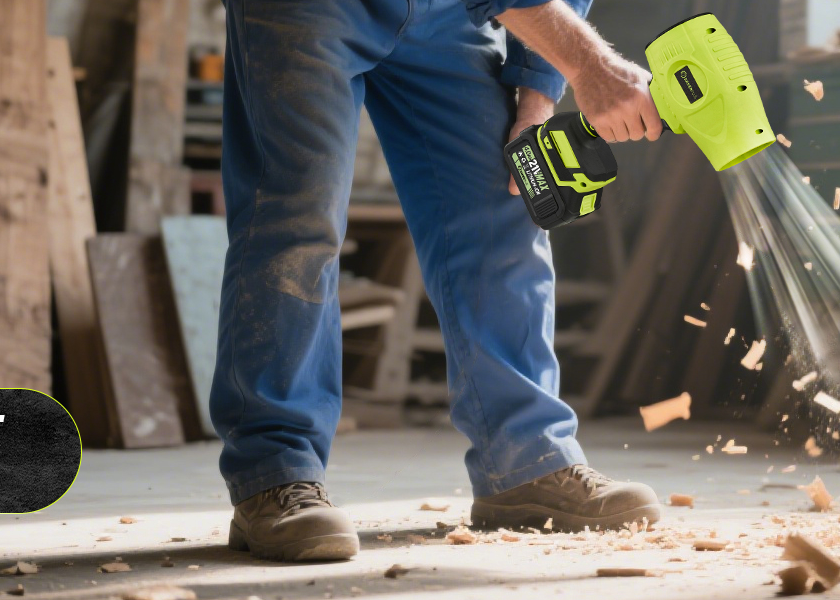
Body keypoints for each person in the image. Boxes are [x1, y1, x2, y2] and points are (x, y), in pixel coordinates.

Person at [215, 0, 665, 562]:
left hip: (451, 15)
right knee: (298, 219)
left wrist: (538, 89)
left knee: (501, 205)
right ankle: (276, 471)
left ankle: (526, 462)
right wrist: (589, 64)